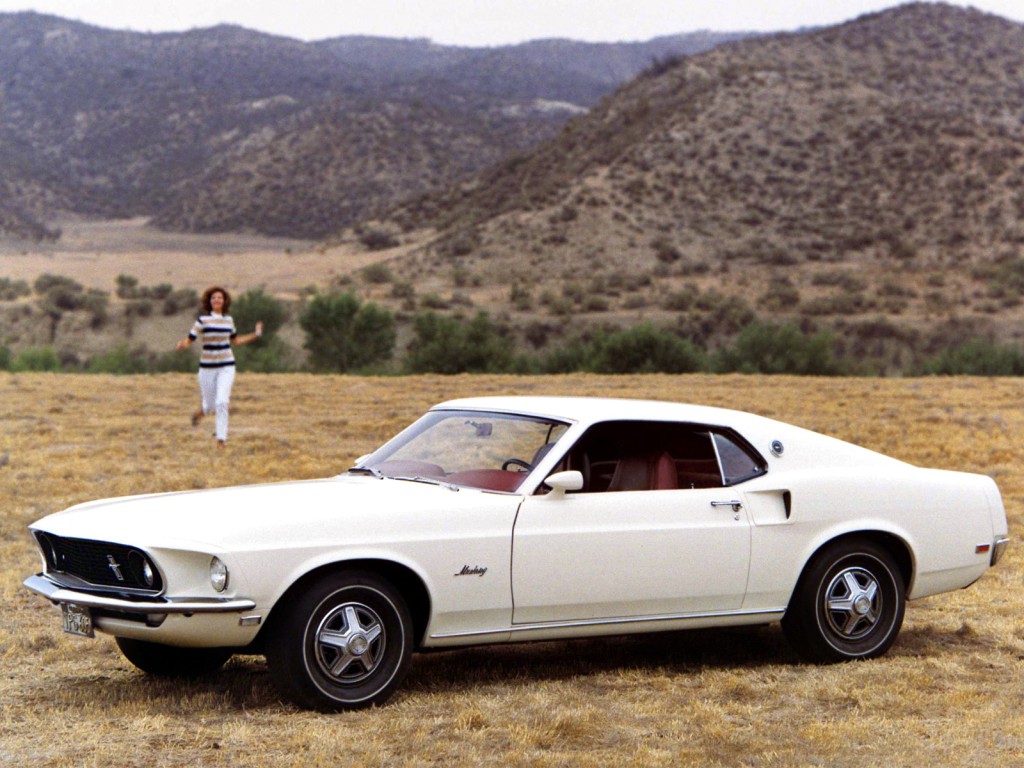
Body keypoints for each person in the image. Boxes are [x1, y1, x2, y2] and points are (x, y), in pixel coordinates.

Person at [176, 286, 263, 447]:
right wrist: (183, 345)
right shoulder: (202, 321)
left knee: (222, 402)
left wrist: (255, 335)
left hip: (227, 365)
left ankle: (220, 440)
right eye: (214, 298)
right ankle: (202, 412)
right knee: (210, 405)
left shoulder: (229, 321)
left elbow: (236, 341)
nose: (217, 300)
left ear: (224, 302)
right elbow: (190, 339)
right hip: (207, 367)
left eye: (220, 298)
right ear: (209, 301)